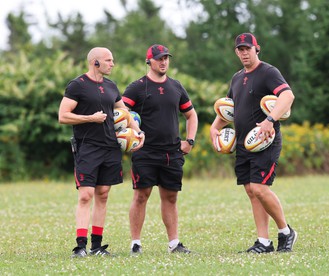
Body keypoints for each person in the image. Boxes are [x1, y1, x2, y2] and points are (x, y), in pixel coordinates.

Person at [210, 33, 297, 253]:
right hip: (243, 143)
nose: (244, 52)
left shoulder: (268, 72)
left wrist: (270, 120)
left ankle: (286, 232)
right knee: (251, 190)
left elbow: (288, 96)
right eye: (240, 49)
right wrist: (214, 128)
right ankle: (264, 242)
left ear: (257, 49)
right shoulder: (237, 77)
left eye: (247, 48)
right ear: (236, 52)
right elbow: (230, 108)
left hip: (265, 141)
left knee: (259, 188)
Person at [58, 47, 145, 257]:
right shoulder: (77, 85)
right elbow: (63, 115)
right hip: (87, 147)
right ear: (95, 62)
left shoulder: (111, 86)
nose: (112, 64)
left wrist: (138, 131)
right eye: (108, 60)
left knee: (103, 195)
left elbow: (124, 112)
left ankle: (97, 246)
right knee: (86, 195)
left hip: (110, 147)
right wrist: (89, 118)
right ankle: (80, 246)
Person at [122, 44, 198, 254]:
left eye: (166, 58)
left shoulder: (176, 86)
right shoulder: (136, 87)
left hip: (172, 152)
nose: (163, 62)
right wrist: (129, 137)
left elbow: (191, 114)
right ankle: (135, 243)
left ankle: (174, 244)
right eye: (159, 59)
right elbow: (120, 113)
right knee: (141, 195)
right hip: (145, 152)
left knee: (171, 197)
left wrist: (189, 141)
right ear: (149, 61)